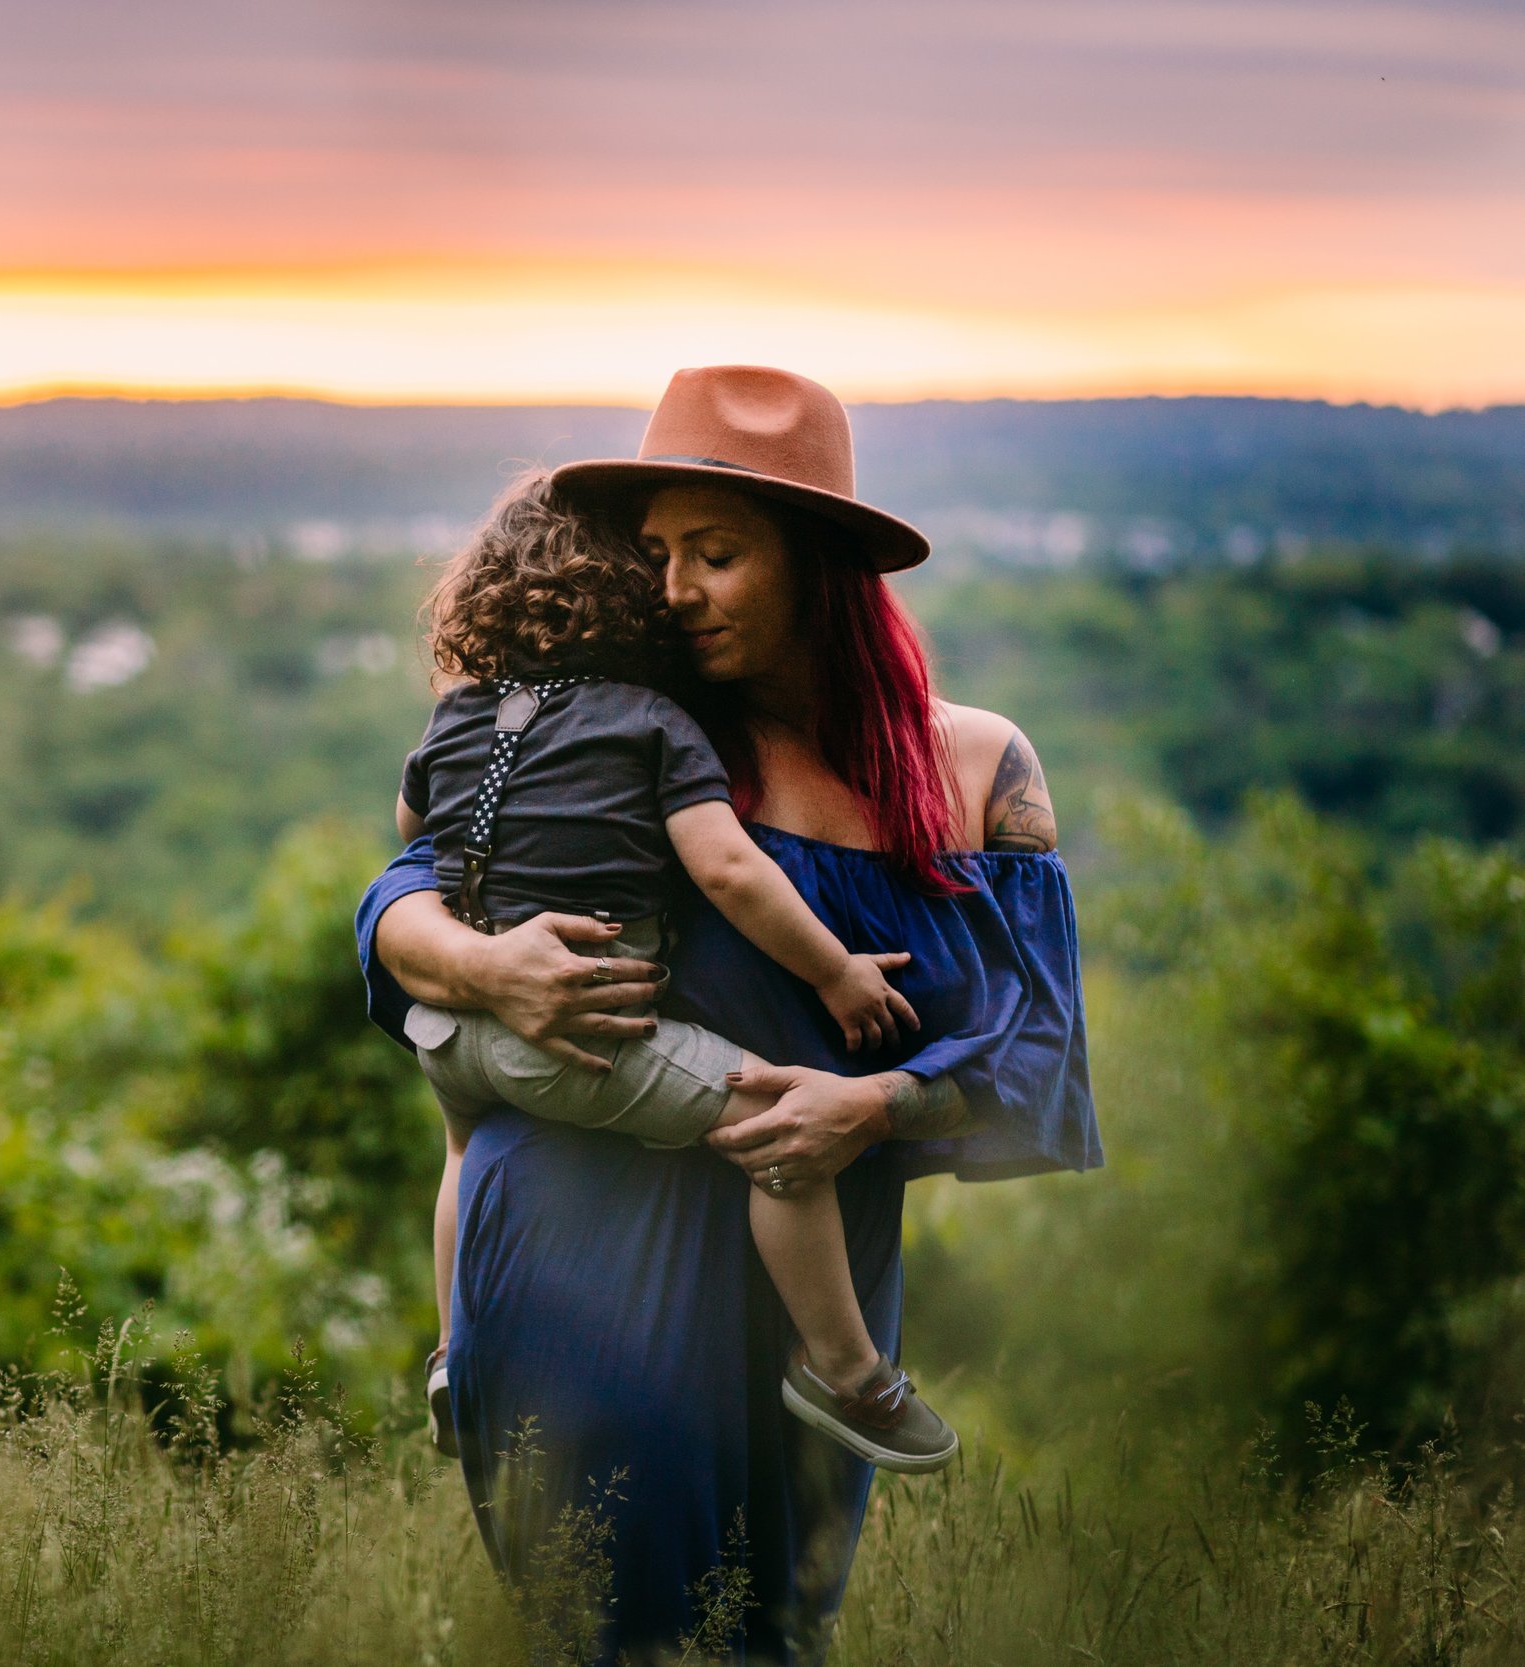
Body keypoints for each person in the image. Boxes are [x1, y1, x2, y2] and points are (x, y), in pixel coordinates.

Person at [358, 365, 1097, 1664]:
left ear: (818, 565)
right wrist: (494, 973)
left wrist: (869, 1105)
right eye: (653, 554)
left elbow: (1038, 1052)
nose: (676, 589)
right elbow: (397, 904)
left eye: (717, 553)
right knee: (619, 1633)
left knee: (779, 1632)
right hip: (581, 1245)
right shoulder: (610, 738)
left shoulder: (976, 767)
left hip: (823, 1287)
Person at [396, 471, 955, 1473]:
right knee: (772, 1123)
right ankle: (845, 1368)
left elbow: (412, 830)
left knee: (459, 1149)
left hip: (450, 1034)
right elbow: (730, 869)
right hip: (578, 1032)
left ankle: (449, 1352)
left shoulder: (462, 716)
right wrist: (835, 976)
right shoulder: (654, 723)